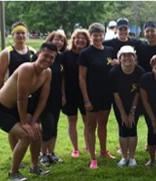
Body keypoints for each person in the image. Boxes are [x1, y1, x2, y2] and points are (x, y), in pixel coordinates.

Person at [0, 42, 57, 181]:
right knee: (25, 136)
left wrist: (34, 121)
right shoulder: (26, 68)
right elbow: (21, 98)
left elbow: (43, 99)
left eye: (52, 58)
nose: (48, 60)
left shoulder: (47, 73)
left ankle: (34, 166)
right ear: (38, 54)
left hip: (13, 109)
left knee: (37, 133)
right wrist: (25, 123)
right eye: (46, 55)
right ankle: (14, 172)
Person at [0, 21, 37, 168]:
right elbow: (1, 76)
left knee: (26, 124)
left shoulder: (32, 52)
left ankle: (32, 156)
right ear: (12, 35)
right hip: (12, 97)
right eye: (17, 33)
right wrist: (0, 96)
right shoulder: (7, 52)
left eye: (22, 33)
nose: (20, 35)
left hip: (29, 97)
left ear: (26, 35)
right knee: (13, 128)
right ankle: (17, 157)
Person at [78, 22, 117, 169]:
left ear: (104, 34)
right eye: (95, 35)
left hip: (106, 94)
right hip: (92, 94)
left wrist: (116, 63)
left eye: (100, 35)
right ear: (91, 36)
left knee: (103, 124)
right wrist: (86, 98)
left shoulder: (110, 50)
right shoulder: (85, 54)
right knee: (91, 125)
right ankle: (93, 158)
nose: (98, 38)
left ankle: (103, 151)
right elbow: (81, 78)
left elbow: (115, 68)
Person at [109, 46, 145, 167]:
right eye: (124, 55)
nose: (127, 58)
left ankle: (132, 157)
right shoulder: (114, 72)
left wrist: (132, 112)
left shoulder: (140, 71)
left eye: (130, 55)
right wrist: (123, 114)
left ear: (134, 57)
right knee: (124, 128)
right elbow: (115, 94)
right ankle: (124, 157)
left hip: (135, 104)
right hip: (120, 105)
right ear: (120, 58)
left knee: (132, 128)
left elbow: (138, 93)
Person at [35, 31, 67, 166]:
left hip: (56, 97)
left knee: (54, 126)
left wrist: (63, 95)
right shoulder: (41, 56)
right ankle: (42, 153)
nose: (59, 42)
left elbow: (62, 78)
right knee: (47, 125)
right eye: (56, 39)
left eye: (61, 40)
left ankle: (51, 153)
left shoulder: (60, 58)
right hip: (42, 97)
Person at [62, 29, 90, 157]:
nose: (80, 40)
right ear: (73, 40)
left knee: (87, 122)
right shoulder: (65, 55)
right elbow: (61, 77)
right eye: (77, 38)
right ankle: (75, 148)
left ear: (87, 41)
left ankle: (89, 146)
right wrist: (62, 94)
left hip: (86, 94)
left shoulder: (89, 54)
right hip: (70, 93)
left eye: (83, 38)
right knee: (72, 121)